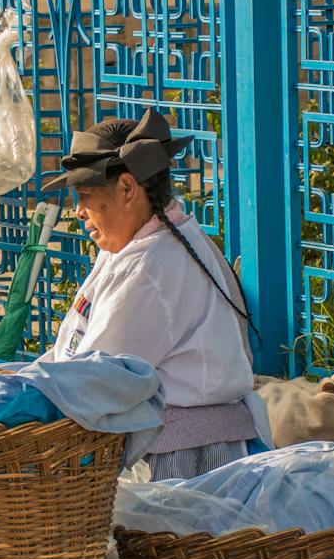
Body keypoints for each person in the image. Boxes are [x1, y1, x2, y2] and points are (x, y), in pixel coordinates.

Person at [39, 109, 264, 477]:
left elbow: (95, 382)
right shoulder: (135, 247)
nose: (78, 211)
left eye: (85, 196)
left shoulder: (151, 266)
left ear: (128, 189)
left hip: (183, 460)